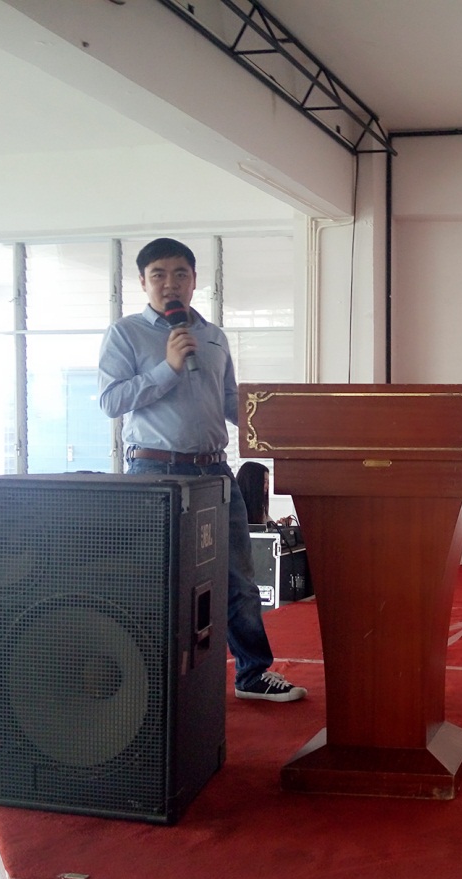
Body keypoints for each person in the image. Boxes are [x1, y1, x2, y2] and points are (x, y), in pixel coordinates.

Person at [97, 237, 306, 702]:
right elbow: (111, 401)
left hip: (215, 473)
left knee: (238, 577)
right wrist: (168, 368)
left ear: (194, 281)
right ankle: (149, 678)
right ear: (143, 282)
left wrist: (278, 422)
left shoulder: (213, 336)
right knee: (155, 579)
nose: (170, 284)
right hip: (155, 475)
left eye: (180, 274)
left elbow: (230, 402)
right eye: (159, 275)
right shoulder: (126, 334)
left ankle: (252, 675)